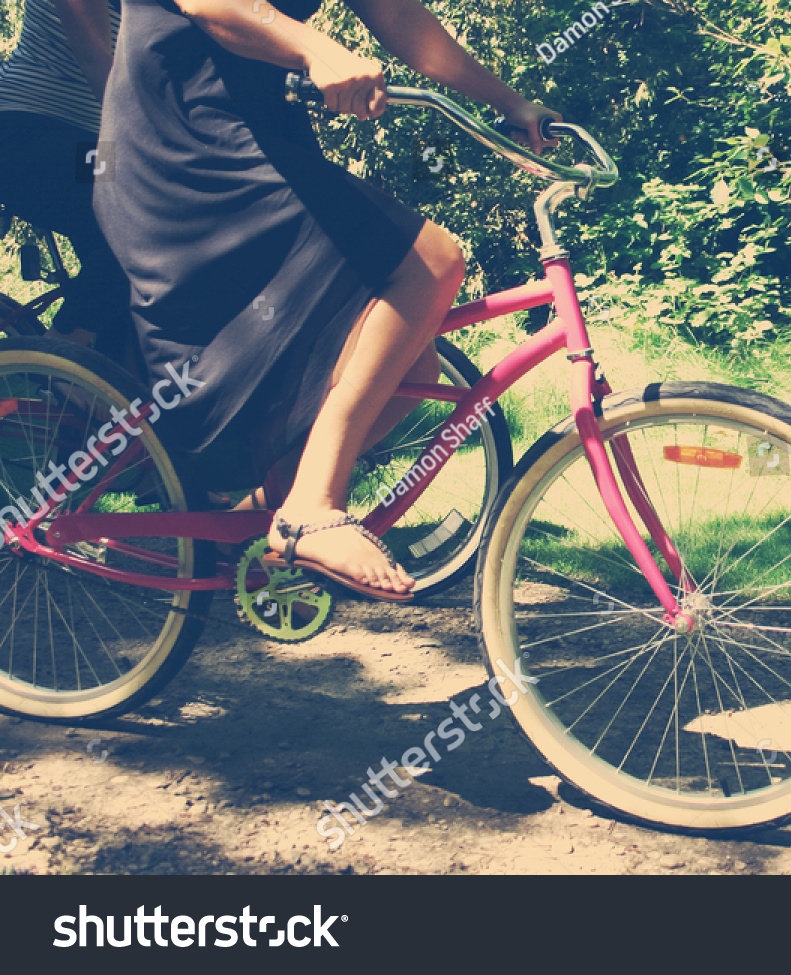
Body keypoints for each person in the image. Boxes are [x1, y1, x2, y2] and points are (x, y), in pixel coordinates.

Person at [93, 0, 558, 599]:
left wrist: (511, 104)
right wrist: (318, 48)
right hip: (186, 148)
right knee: (432, 262)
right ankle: (314, 504)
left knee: (412, 366)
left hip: (258, 140)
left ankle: (246, 524)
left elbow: (397, 16)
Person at [0, 0, 133, 358]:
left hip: (96, 142)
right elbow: (96, 60)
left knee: (124, 274)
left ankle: (107, 394)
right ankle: (54, 357)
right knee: (140, 229)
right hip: (31, 129)